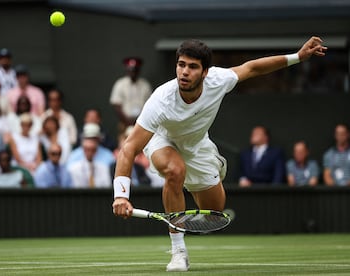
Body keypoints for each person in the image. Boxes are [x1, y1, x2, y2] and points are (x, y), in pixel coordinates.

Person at [111, 37, 327, 272]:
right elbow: (129, 148)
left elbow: (252, 68)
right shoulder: (161, 100)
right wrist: (121, 195)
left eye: (192, 67)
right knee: (175, 171)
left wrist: (298, 57)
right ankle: (178, 251)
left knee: (214, 212)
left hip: (198, 146)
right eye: (181, 65)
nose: (184, 72)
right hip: (163, 140)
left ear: (205, 72)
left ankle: (202, 180)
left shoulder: (219, 80)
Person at [110, 57, 152, 133]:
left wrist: (140, 120)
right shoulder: (120, 84)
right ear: (127, 70)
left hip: (142, 122)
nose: (133, 72)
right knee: (123, 143)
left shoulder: (145, 85)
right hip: (124, 122)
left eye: (135, 70)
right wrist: (127, 121)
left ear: (139, 71)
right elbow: (116, 105)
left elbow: (150, 104)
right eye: (130, 70)